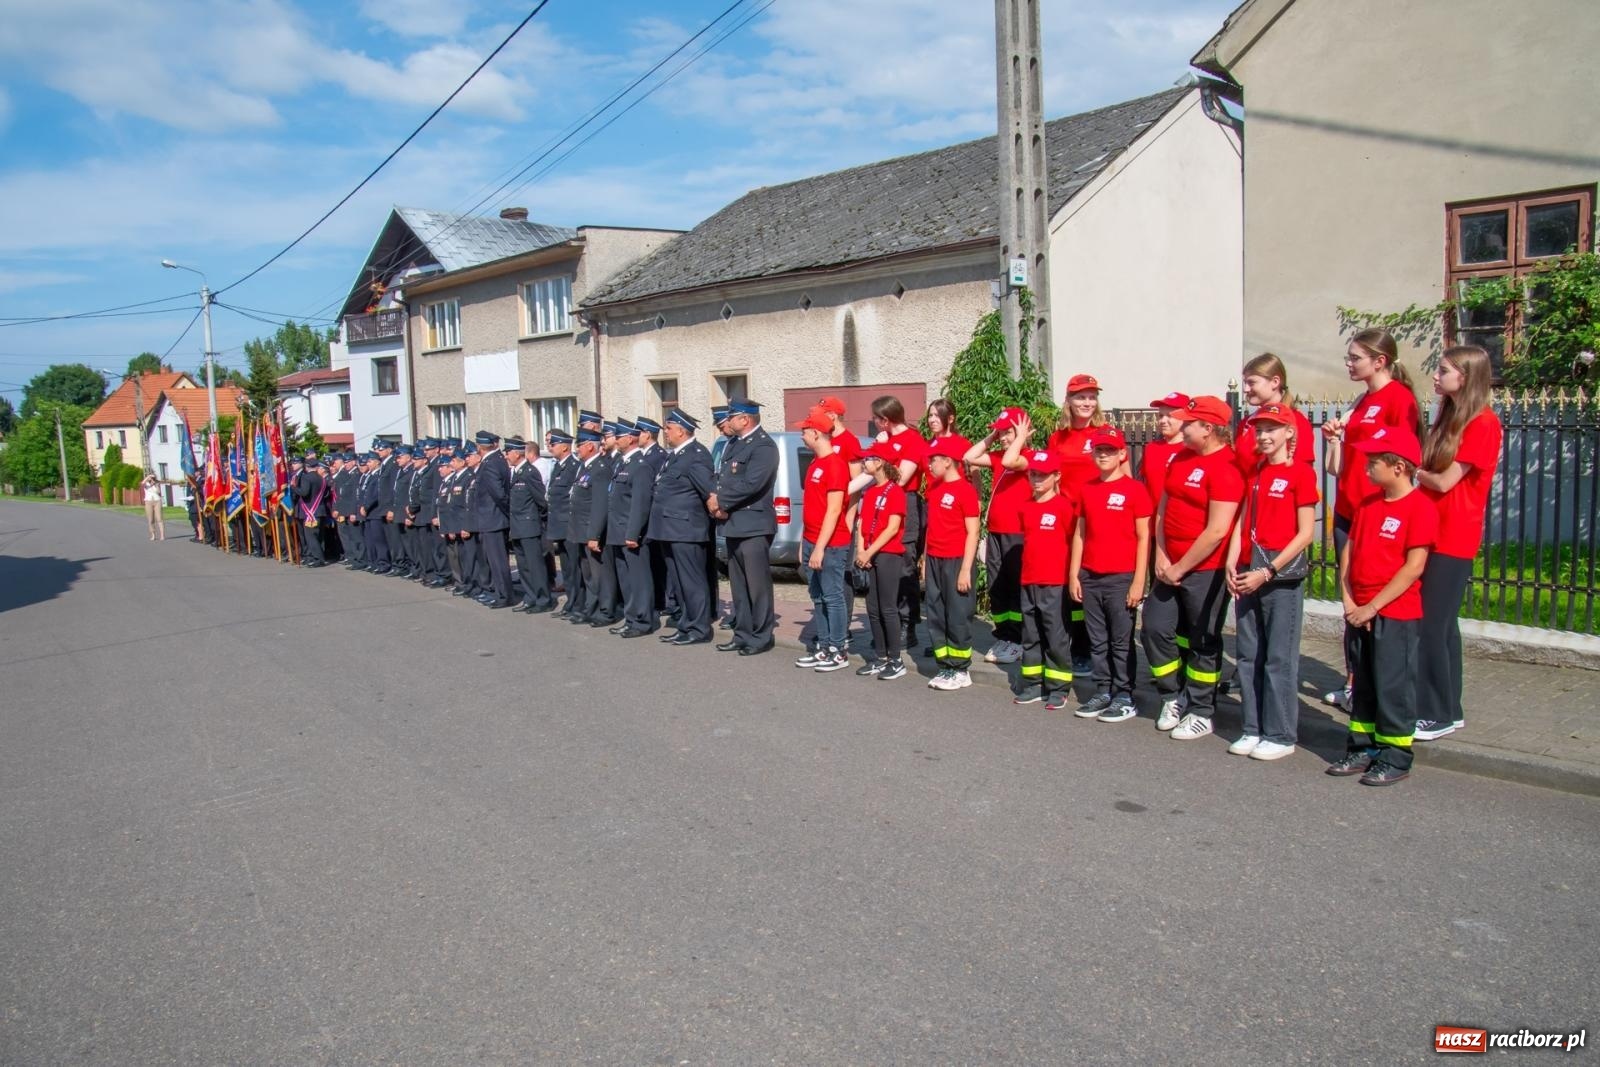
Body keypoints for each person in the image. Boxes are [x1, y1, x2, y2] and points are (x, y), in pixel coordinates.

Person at [1326, 425, 1437, 786]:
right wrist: (1348, 599)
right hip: (1360, 609)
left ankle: (1395, 756)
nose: (1367, 466)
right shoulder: (1369, 504)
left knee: (1394, 686)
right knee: (1365, 685)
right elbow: (1349, 552)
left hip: (1394, 612)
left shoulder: (1420, 507)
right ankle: (1362, 746)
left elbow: (1414, 566)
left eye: (1375, 461)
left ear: (1399, 467)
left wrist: (1372, 607)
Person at [1321, 326, 1422, 707]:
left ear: (1380, 361)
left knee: (1372, 597)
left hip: (1375, 515)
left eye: (1355, 358)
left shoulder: (1399, 399)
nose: (1348, 363)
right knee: (1350, 593)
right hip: (1349, 510)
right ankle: (1354, 683)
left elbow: (1403, 458)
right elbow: (1342, 465)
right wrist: (1335, 438)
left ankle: (1377, 688)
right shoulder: (1363, 401)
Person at [1142, 396, 1245, 741]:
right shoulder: (1181, 458)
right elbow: (1163, 509)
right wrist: (1160, 555)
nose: (1181, 427)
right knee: (1155, 627)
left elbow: (1217, 530)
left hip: (1205, 570)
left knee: (1203, 639)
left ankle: (1202, 710)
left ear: (1209, 429)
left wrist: (1181, 567)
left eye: (1188, 423)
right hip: (1168, 565)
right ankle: (1172, 695)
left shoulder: (1228, 467)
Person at [1414, 344, 1503, 741]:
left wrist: (1413, 473)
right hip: (1433, 530)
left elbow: (1447, 481)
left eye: (1444, 369)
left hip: (1454, 536)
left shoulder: (1483, 424)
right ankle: (1450, 707)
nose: (1436, 375)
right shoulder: (1449, 418)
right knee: (1443, 626)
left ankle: (1434, 712)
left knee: (1431, 625)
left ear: (1464, 377)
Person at [1225, 404, 1319, 760]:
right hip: (1250, 572)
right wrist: (1232, 561)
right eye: (1259, 429)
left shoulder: (1301, 474)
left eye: (1271, 429)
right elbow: (1241, 522)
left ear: (1289, 433)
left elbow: (1306, 532)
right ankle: (1252, 728)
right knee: (1249, 656)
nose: (1263, 436)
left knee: (1278, 658)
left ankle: (1280, 734)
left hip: (1279, 577)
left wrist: (1269, 570)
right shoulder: (1257, 473)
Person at [1069, 426, 1152, 723]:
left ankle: (1124, 694)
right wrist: (1074, 574)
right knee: (1097, 639)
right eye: (1098, 450)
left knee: (1121, 640)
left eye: (1109, 450)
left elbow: (1144, 537)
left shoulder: (1135, 490)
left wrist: (1139, 581)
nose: (1103, 455)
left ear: (1121, 454)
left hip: (1121, 578)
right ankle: (1103, 690)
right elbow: (1080, 534)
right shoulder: (1088, 488)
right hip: (1090, 575)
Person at [1048, 373, 1122, 672]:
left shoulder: (1106, 433)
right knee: (1070, 584)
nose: (1087, 402)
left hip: (1097, 520)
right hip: (1067, 521)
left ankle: (1096, 651)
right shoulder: (1058, 437)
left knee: (1092, 586)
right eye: (1080, 396)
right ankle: (1075, 646)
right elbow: (1052, 479)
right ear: (1068, 400)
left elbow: (1123, 476)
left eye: (1092, 397)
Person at [1008, 447, 1076, 710]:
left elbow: (1073, 541)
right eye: (1033, 474)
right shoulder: (1026, 507)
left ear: (1057, 476)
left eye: (1043, 475)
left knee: (1055, 635)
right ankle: (1034, 682)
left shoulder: (1064, 506)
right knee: (1031, 634)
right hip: (1029, 580)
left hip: (1055, 581)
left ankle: (1059, 687)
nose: (1037, 480)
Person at [710, 399, 779, 656]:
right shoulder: (735, 444)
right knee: (739, 586)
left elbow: (753, 483)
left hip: (754, 524)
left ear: (746, 419)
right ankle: (743, 634)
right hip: (734, 523)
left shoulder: (763, 446)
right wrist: (715, 501)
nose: (728, 421)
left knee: (757, 585)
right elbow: (724, 479)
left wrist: (722, 501)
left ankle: (761, 636)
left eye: (733, 417)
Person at [964, 408, 1031, 665]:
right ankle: (1004, 636)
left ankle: (1019, 639)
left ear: (1022, 431)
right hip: (995, 533)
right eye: (1001, 431)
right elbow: (969, 456)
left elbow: (1009, 461)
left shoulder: (1030, 458)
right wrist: (993, 436)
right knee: (998, 587)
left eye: (1007, 431)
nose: (1003, 437)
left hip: (1018, 535)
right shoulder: (997, 455)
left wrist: (1020, 439)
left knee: (1016, 588)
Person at [793, 406, 852, 673]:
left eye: (804, 432)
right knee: (817, 596)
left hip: (831, 545)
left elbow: (833, 510)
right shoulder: (815, 463)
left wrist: (819, 548)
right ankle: (825, 646)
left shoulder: (836, 465)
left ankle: (838, 650)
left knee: (832, 596)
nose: (802, 436)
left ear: (816, 433)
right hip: (811, 540)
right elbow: (811, 507)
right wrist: (802, 543)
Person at [652, 409, 717, 646]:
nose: (665, 432)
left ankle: (699, 629)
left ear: (680, 430)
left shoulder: (696, 455)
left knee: (692, 581)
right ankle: (686, 624)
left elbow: (709, 491)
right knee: (679, 582)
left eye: (668, 428)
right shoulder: (675, 455)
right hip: (669, 528)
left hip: (686, 529)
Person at [922, 436, 981, 690]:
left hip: (957, 561)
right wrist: (925, 559)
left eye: (933, 459)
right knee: (935, 613)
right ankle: (945, 665)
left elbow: (973, 532)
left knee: (957, 615)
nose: (930, 464)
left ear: (947, 461)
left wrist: (966, 569)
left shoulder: (965, 490)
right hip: (935, 558)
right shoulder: (934, 488)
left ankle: (960, 669)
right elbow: (930, 528)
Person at [871, 396, 928, 648]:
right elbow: (871, 470)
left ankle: (908, 624)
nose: (873, 422)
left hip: (905, 503)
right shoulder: (885, 441)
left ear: (885, 420)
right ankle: (888, 624)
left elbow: (901, 478)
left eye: (875, 418)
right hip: (882, 503)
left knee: (904, 567)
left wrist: (882, 450)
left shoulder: (912, 440)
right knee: (884, 564)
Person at [855, 442, 908, 680]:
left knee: (888, 607)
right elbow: (861, 525)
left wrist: (870, 551)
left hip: (888, 554)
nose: (864, 463)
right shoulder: (870, 492)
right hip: (870, 552)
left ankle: (896, 659)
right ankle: (880, 656)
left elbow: (892, 527)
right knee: (872, 608)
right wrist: (860, 549)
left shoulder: (895, 491)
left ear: (880, 463)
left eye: (868, 459)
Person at [1234, 354, 1315, 476]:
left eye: (1251, 383)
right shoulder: (1247, 422)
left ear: (1275, 382)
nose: (1245, 389)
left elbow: (1303, 472)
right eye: (1245, 383)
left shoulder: (1296, 421)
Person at [505, 436, 551, 613]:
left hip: (529, 526)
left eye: (508, 452)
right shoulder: (516, 472)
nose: (506, 455)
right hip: (517, 527)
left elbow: (541, 501)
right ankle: (530, 597)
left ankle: (543, 599)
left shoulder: (530, 472)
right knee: (523, 566)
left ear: (517, 453)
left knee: (535, 565)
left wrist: (536, 521)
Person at [470, 431, 513, 609]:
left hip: (494, 519)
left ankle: (504, 596)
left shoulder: (490, 463)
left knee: (498, 561)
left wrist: (506, 513)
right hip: (493, 518)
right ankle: (499, 592)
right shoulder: (496, 460)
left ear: (479, 446)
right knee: (496, 560)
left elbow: (499, 494)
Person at [564, 429, 603, 621]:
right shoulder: (584, 467)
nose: (577, 449)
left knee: (596, 575)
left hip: (590, 531)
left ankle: (598, 610)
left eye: (580, 445)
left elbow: (599, 505)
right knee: (586, 573)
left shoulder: (599, 468)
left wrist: (594, 535)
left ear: (590, 445)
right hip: (580, 529)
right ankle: (590, 608)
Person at [544, 430, 578, 611]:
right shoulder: (558, 466)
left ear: (564, 446)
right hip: (559, 523)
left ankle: (578, 603)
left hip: (569, 524)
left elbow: (573, 498)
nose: (550, 447)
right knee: (566, 567)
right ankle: (572, 603)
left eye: (553, 444)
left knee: (574, 567)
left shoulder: (573, 466)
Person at [1139, 393, 1190, 505]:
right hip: (1152, 517)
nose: (1163, 420)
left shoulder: (1191, 450)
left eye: (1170, 416)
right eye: (1161, 416)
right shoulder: (1151, 448)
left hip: (1176, 517)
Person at [142, 474, 164, 540]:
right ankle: (153, 535)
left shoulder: (156, 483)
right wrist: (148, 477)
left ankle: (162, 535)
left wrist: (155, 484)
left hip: (157, 501)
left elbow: (158, 492)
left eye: (153, 477)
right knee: (151, 520)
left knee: (159, 518)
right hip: (148, 501)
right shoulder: (146, 484)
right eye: (150, 477)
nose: (152, 479)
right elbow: (142, 483)